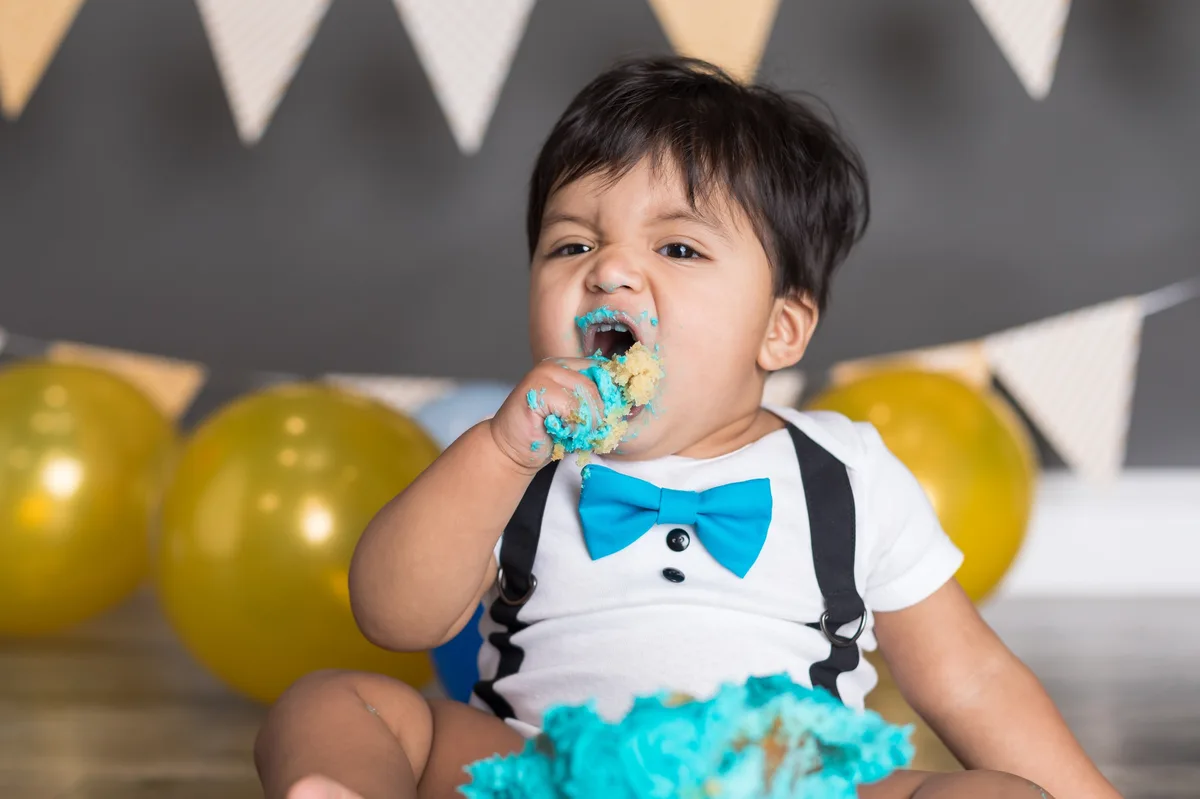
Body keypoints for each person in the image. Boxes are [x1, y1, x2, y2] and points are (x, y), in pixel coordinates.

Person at [254, 57, 1121, 799]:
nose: (610, 270)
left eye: (677, 249)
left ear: (778, 329)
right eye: (570, 246)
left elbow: (970, 679)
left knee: (994, 791)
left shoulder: (846, 472)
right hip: (548, 768)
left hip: (786, 777)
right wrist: (499, 452)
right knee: (340, 701)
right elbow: (394, 616)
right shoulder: (513, 460)